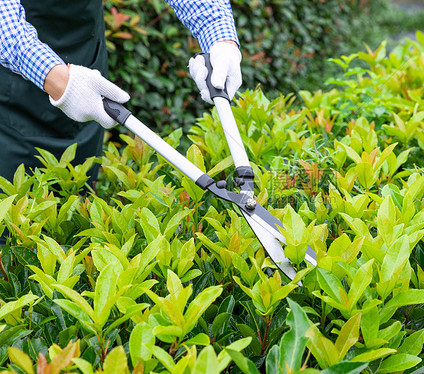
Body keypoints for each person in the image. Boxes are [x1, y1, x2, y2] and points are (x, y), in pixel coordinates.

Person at [0, 0, 243, 245]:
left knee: (78, 224)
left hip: (85, 69)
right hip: (12, 94)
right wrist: (55, 77)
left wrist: (221, 39)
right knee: (11, 232)